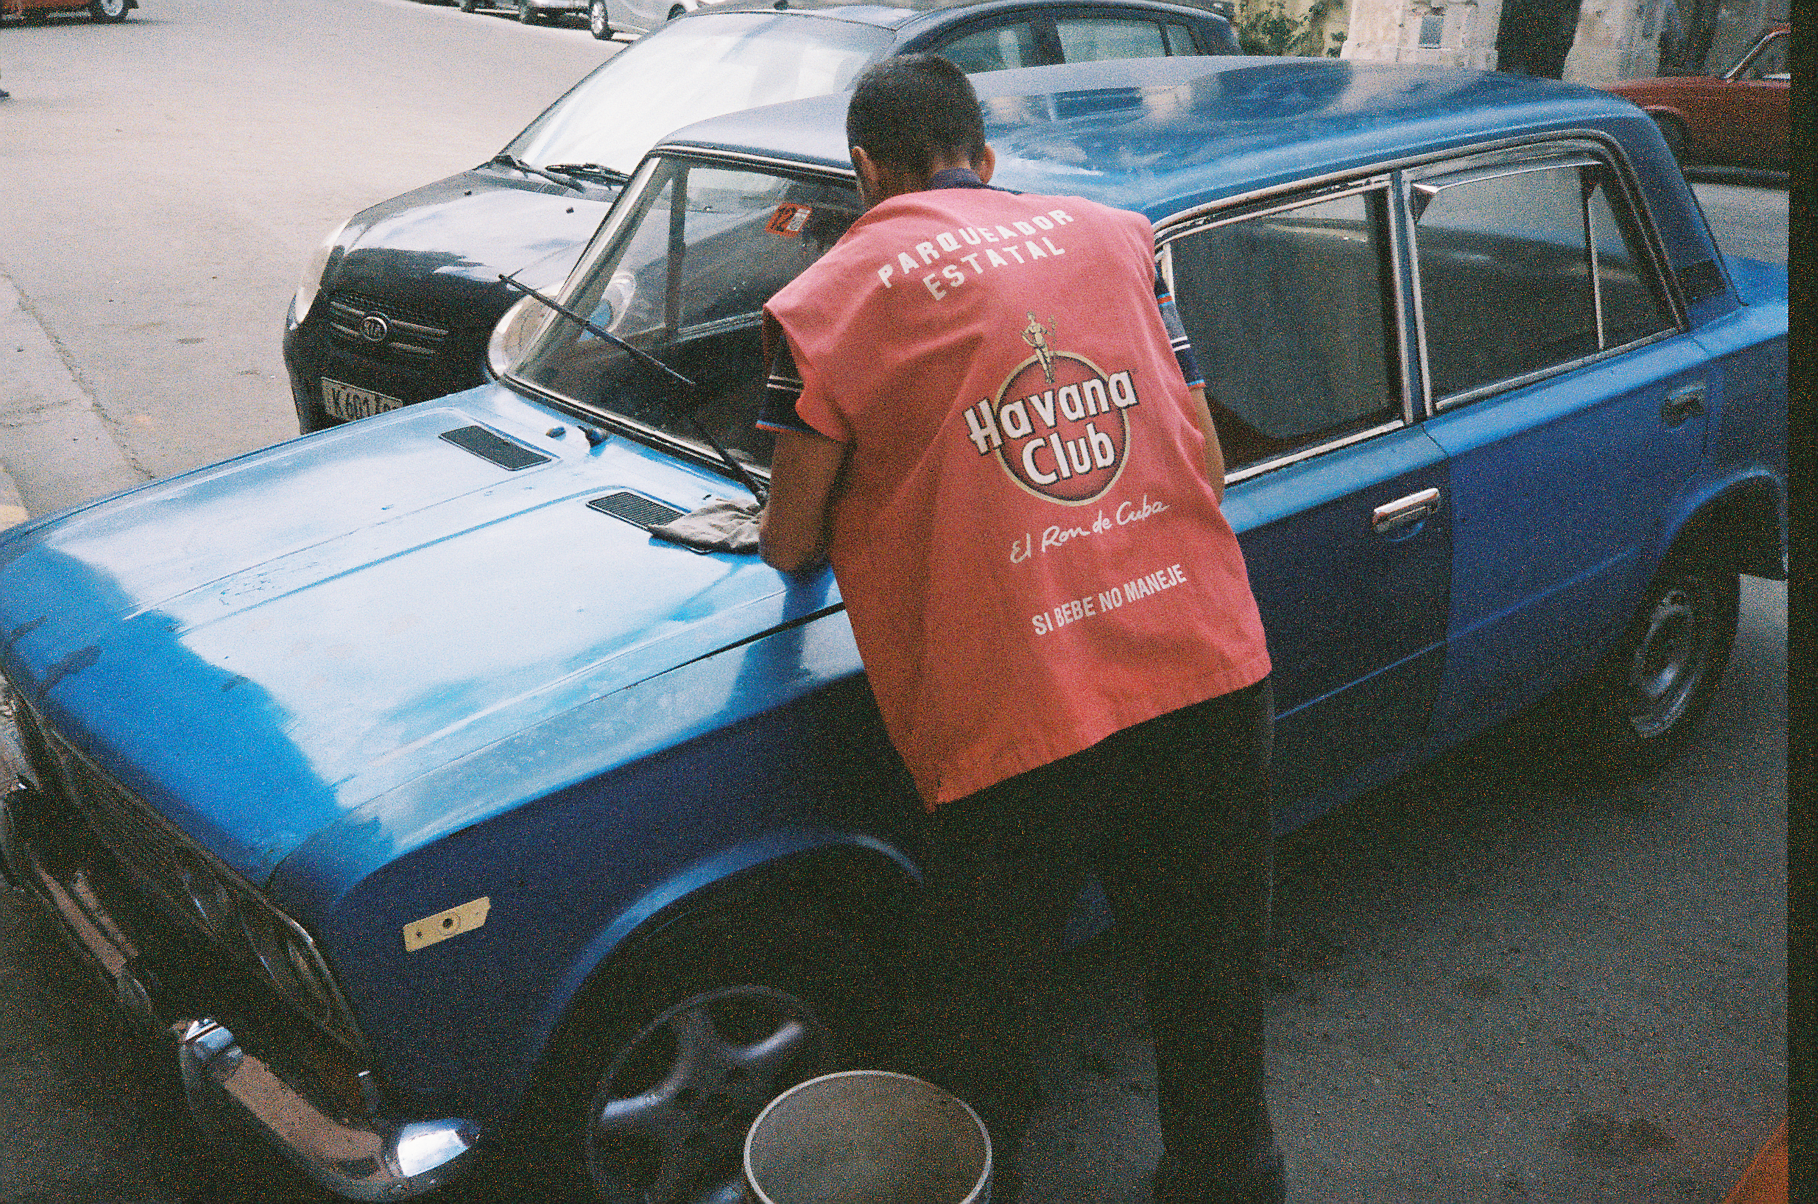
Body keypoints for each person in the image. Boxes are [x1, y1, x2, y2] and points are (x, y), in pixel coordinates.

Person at [757, 55, 1281, 1204]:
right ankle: (1226, 1179)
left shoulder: (830, 297)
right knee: (1209, 970)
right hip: (1204, 663)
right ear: (984, 158)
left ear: (863, 172)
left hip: (1023, 704)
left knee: (977, 1007)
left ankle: (970, 1181)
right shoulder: (1114, 235)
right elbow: (1205, 451)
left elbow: (793, 536)